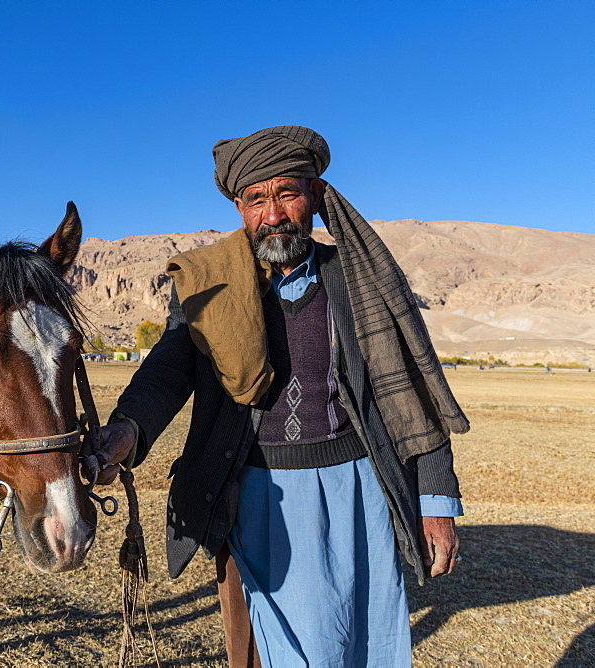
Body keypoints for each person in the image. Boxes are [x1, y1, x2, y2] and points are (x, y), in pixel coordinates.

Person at [95, 126, 468, 666]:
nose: (273, 215)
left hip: (356, 490)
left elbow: (410, 391)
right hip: (252, 493)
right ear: (241, 208)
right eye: (256, 199)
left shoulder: (356, 279)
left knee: (363, 645)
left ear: (314, 195)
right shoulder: (211, 286)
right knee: (264, 651)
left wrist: (435, 502)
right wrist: (129, 427)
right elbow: (168, 370)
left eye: (287, 193)